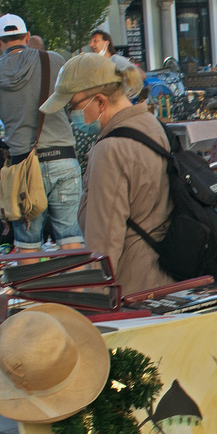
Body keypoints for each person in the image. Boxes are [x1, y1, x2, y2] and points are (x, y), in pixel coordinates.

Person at [40, 53, 174, 296]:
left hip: (132, 285)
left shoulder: (110, 149)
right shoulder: (150, 124)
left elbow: (104, 242)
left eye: (72, 106)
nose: (71, 116)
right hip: (164, 274)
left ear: (100, 101)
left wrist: (95, 299)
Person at [0, 13, 83, 246]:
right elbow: (76, 99)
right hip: (63, 158)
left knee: (27, 243)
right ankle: (79, 284)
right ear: (27, 36)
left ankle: (30, 283)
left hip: (23, 166)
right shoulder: (53, 60)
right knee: (70, 236)